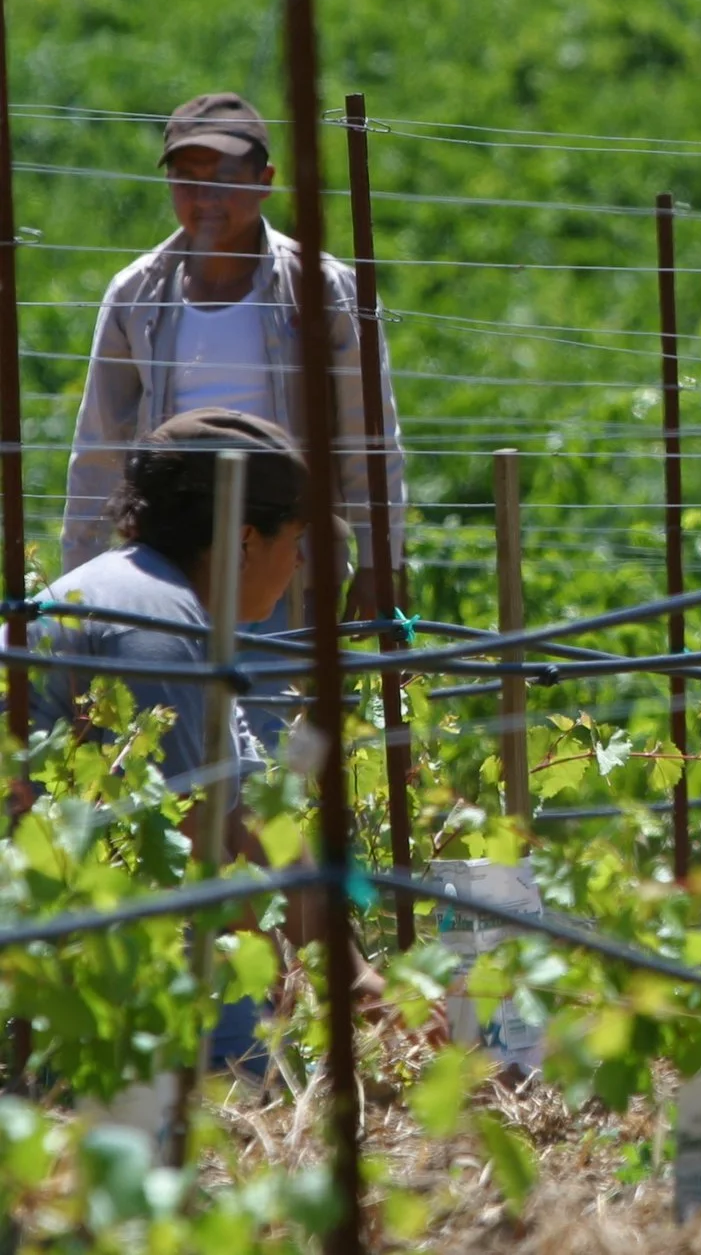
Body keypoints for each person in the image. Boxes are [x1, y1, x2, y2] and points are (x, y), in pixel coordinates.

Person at [30, 407, 370, 1068]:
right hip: (62, 967)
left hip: (80, 942)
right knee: (236, 1058)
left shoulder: (161, 603)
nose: (301, 563)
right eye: (296, 539)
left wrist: (353, 973)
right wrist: (320, 985)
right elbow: (206, 835)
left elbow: (251, 815)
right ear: (245, 540)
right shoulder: (153, 623)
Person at [62, 94, 405, 631]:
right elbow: (99, 445)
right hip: (167, 571)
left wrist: (380, 559)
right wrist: (77, 587)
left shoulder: (321, 289)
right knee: (176, 711)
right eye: (186, 178)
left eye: (223, 177)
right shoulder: (137, 293)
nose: (204, 197)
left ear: (265, 179)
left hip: (289, 562)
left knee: (281, 709)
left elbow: (369, 434)